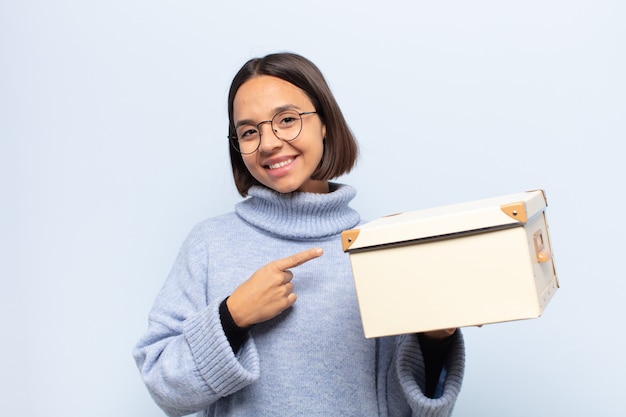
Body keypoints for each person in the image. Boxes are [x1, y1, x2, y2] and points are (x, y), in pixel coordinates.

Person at [133, 52, 465, 417]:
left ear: (325, 122)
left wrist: (435, 340)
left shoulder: (379, 250)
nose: (268, 143)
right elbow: (164, 387)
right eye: (248, 132)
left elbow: (409, 407)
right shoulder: (209, 245)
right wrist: (233, 316)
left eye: (287, 120)